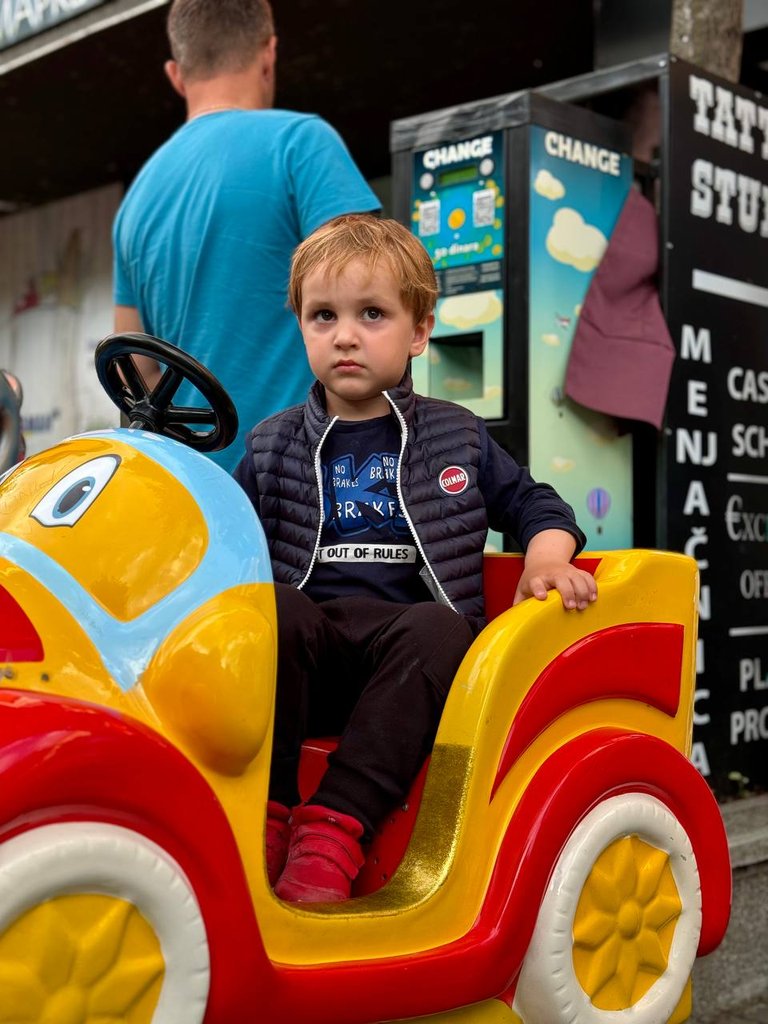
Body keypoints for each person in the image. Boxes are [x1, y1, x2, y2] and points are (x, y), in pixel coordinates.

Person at [234, 215, 597, 903]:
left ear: (419, 331)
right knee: (269, 612)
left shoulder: (456, 436)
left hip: (408, 665)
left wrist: (545, 559)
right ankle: (267, 813)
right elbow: (222, 539)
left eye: (372, 314)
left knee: (442, 628)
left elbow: (535, 504)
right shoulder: (271, 443)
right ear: (303, 329)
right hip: (308, 659)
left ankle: (334, 829)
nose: (345, 335)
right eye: (323, 316)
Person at [112, 0, 380, 472]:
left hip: (198, 502)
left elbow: (133, 371)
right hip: (309, 489)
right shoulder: (302, 144)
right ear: (269, 53)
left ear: (176, 74)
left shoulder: (135, 202)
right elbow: (375, 309)